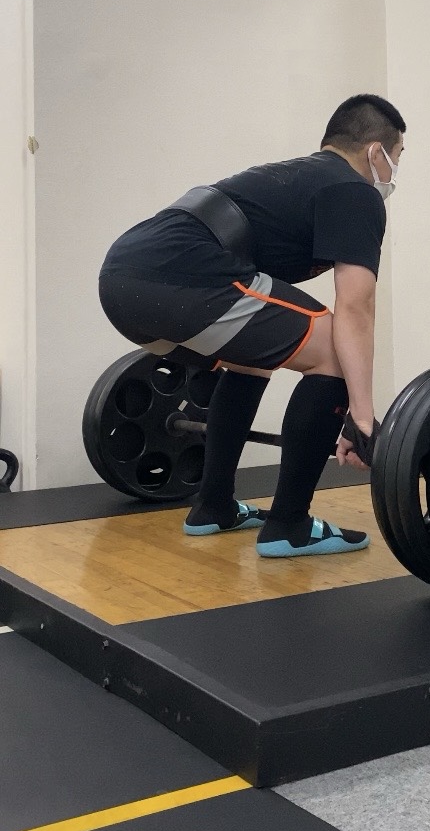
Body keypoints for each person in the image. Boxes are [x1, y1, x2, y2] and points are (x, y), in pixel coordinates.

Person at [98, 94, 405, 558]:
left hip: (122, 283)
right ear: (376, 152)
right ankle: (289, 525)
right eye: (398, 157)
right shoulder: (354, 191)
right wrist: (361, 416)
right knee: (332, 350)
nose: (395, 172)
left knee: (252, 359)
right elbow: (356, 308)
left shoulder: (296, 179)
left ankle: (213, 505)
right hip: (178, 276)